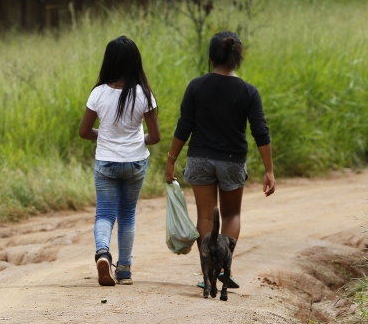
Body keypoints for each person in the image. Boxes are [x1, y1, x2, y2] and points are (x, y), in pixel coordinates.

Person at [164, 31, 275, 289]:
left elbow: (184, 126)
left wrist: (171, 159)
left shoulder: (196, 86)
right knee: (231, 214)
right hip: (232, 161)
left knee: (205, 215)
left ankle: (208, 270)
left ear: (212, 57)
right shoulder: (249, 91)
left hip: (200, 158)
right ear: (238, 57)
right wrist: (269, 169)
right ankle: (224, 265)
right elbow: (261, 131)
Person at [79, 36, 162, 286]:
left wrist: (104, 136)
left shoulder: (98, 93)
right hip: (136, 161)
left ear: (109, 62)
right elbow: (155, 137)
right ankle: (124, 270)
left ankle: (103, 253)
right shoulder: (144, 94)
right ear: (135, 63)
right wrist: (137, 140)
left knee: (104, 214)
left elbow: (84, 132)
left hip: (106, 161)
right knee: (127, 215)